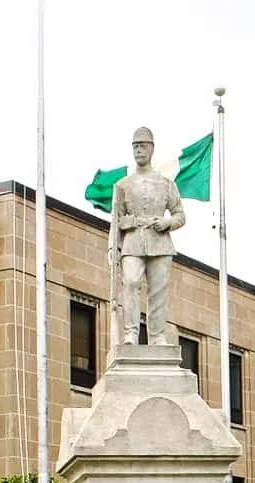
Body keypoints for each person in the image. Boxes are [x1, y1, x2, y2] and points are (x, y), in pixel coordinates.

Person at [109, 127, 185, 345]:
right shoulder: (122, 185)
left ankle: (157, 335)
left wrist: (167, 222)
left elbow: (180, 215)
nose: (138, 150)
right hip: (132, 241)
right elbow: (116, 220)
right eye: (135, 146)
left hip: (160, 242)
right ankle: (131, 332)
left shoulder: (165, 184)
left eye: (142, 146)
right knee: (131, 282)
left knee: (158, 290)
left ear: (151, 149)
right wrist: (112, 248)